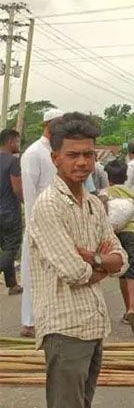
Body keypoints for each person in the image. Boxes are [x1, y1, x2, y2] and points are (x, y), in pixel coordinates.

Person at [29, 112, 127, 408]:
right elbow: (73, 271)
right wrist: (97, 264)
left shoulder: (90, 204)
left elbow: (122, 259)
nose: (82, 162)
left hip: (91, 326)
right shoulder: (48, 206)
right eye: (73, 155)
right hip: (64, 330)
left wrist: (96, 259)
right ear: (55, 158)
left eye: (88, 154)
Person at [19, 108, 62, 338]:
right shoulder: (34, 152)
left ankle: (48, 317)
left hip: (55, 219)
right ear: (50, 124)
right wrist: (35, 224)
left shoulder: (56, 151)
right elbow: (29, 192)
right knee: (32, 272)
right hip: (38, 221)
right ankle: (29, 322)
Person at [105, 159, 134, 336]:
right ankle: (132, 309)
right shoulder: (131, 193)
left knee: (121, 272)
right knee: (132, 272)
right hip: (130, 233)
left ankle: (126, 310)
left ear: (108, 178)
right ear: (125, 177)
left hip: (113, 235)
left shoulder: (104, 193)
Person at [0, 129, 22, 295]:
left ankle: (12, 284)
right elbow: (17, 188)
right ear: (10, 142)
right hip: (9, 211)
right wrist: (25, 201)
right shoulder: (13, 162)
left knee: (5, 247)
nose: (18, 145)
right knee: (11, 247)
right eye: (17, 141)